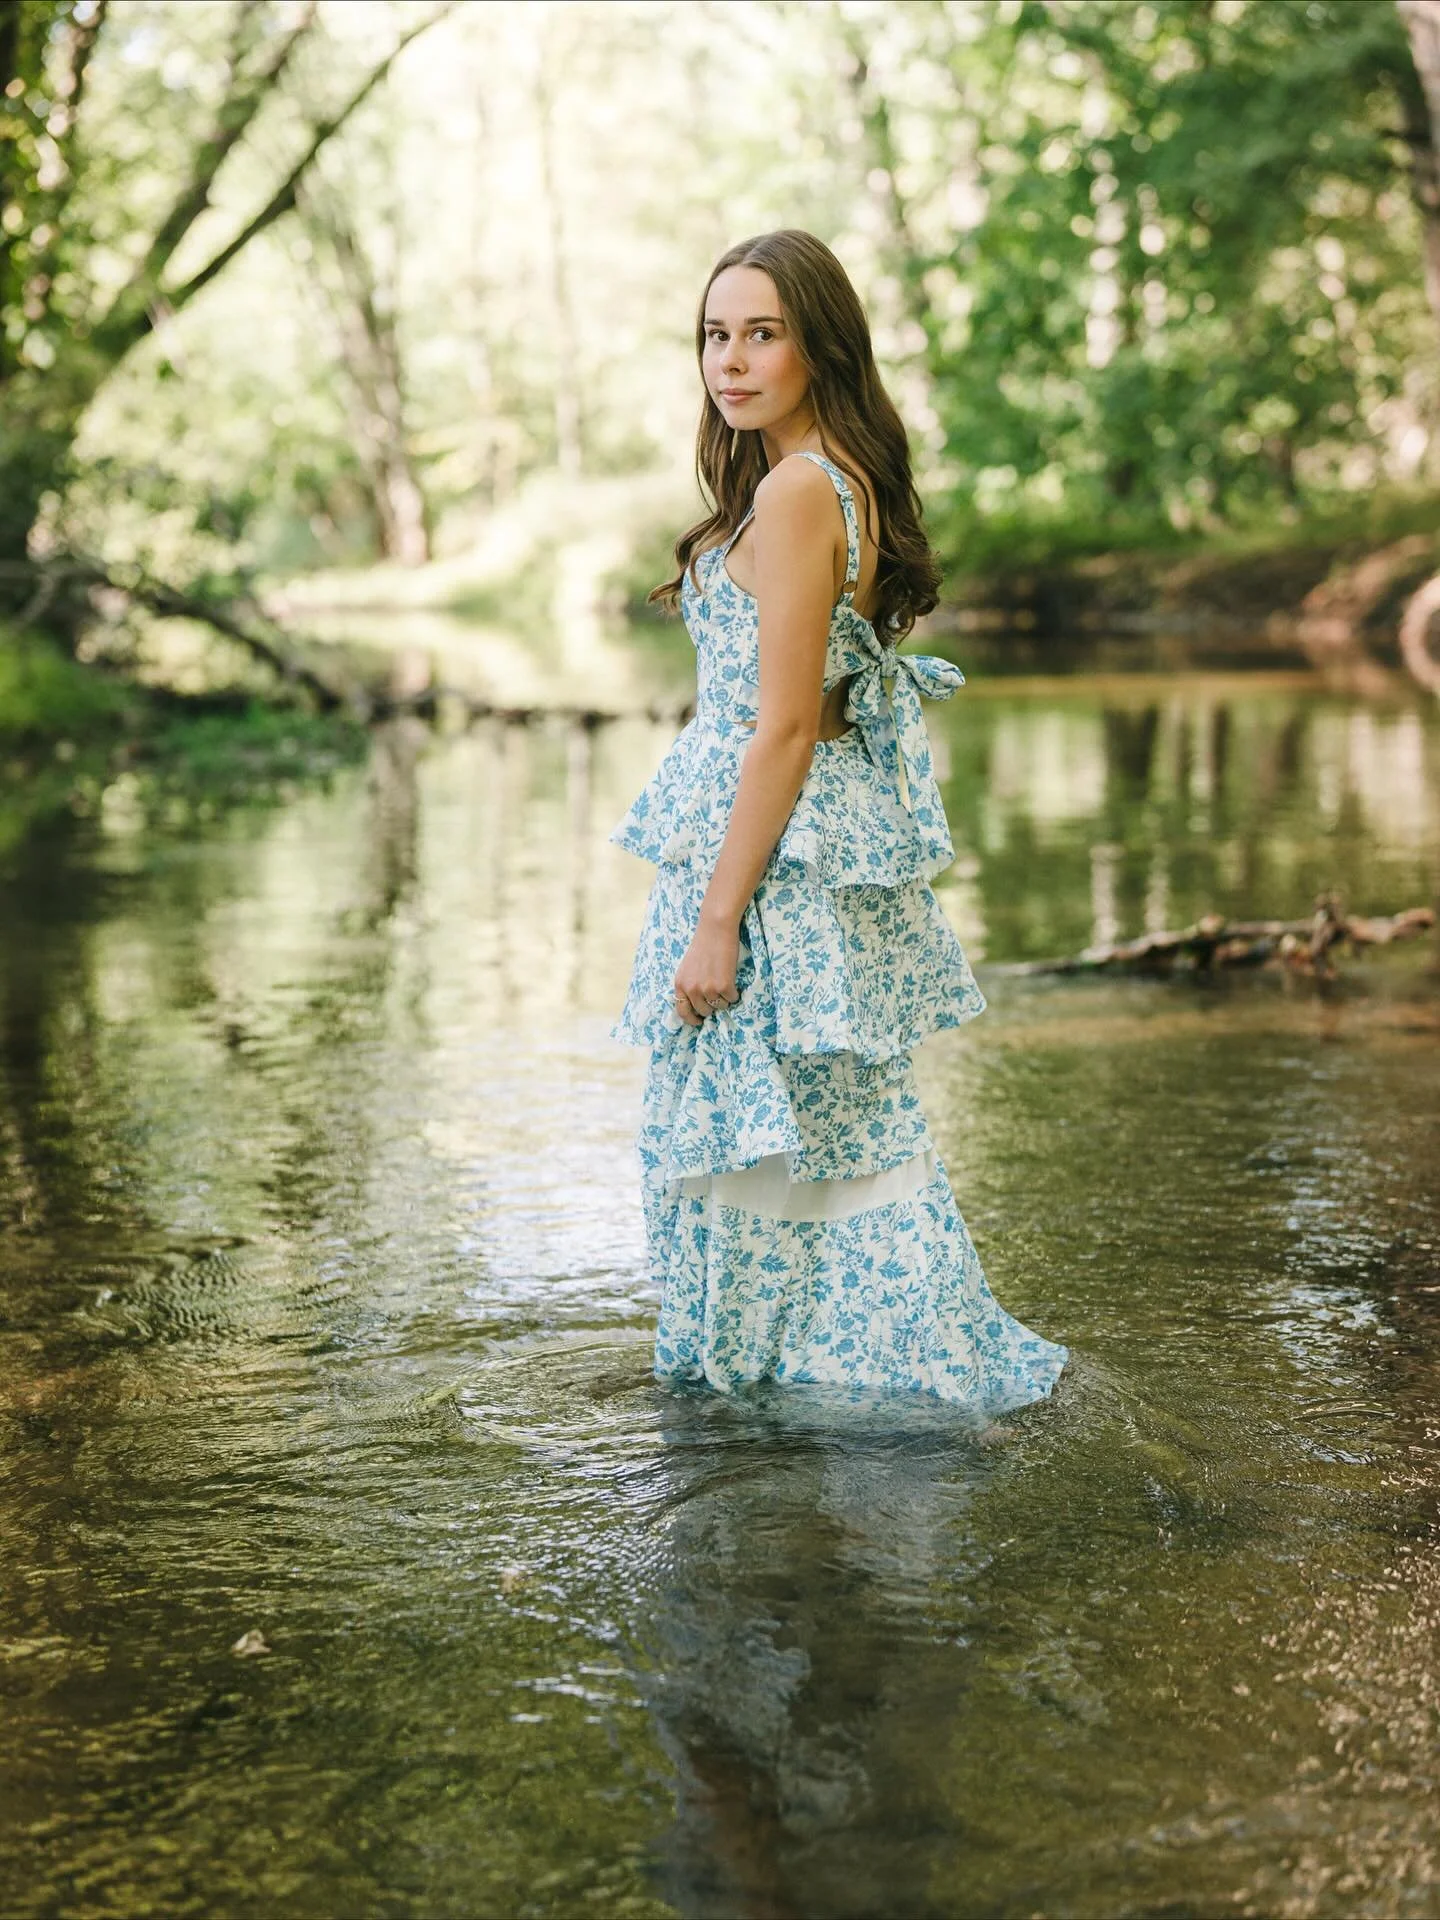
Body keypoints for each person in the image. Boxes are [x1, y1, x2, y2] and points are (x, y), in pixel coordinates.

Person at [608, 228, 1069, 1409]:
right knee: (815, 1131)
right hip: (788, 853)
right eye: (717, 334)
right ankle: (807, 1389)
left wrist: (718, 920)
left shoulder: (803, 488)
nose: (733, 358)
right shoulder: (825, 481)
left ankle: (805, 1388)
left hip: (767, 870)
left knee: (766, 1138)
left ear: (820, 346)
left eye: (763, 333)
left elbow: (786, 729)